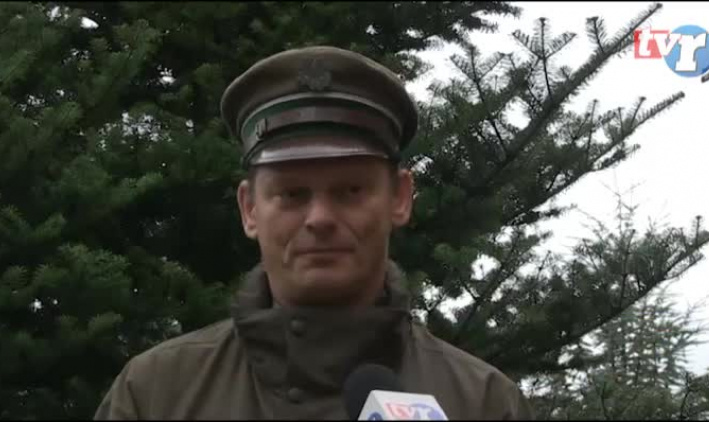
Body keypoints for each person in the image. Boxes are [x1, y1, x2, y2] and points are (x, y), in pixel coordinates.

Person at [94, 46, 535, 420]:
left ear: (400, 198)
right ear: (249, 209)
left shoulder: (482, 403)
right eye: (292, 194)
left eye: (350, 191)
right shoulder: (155, 395)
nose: (320, 218)